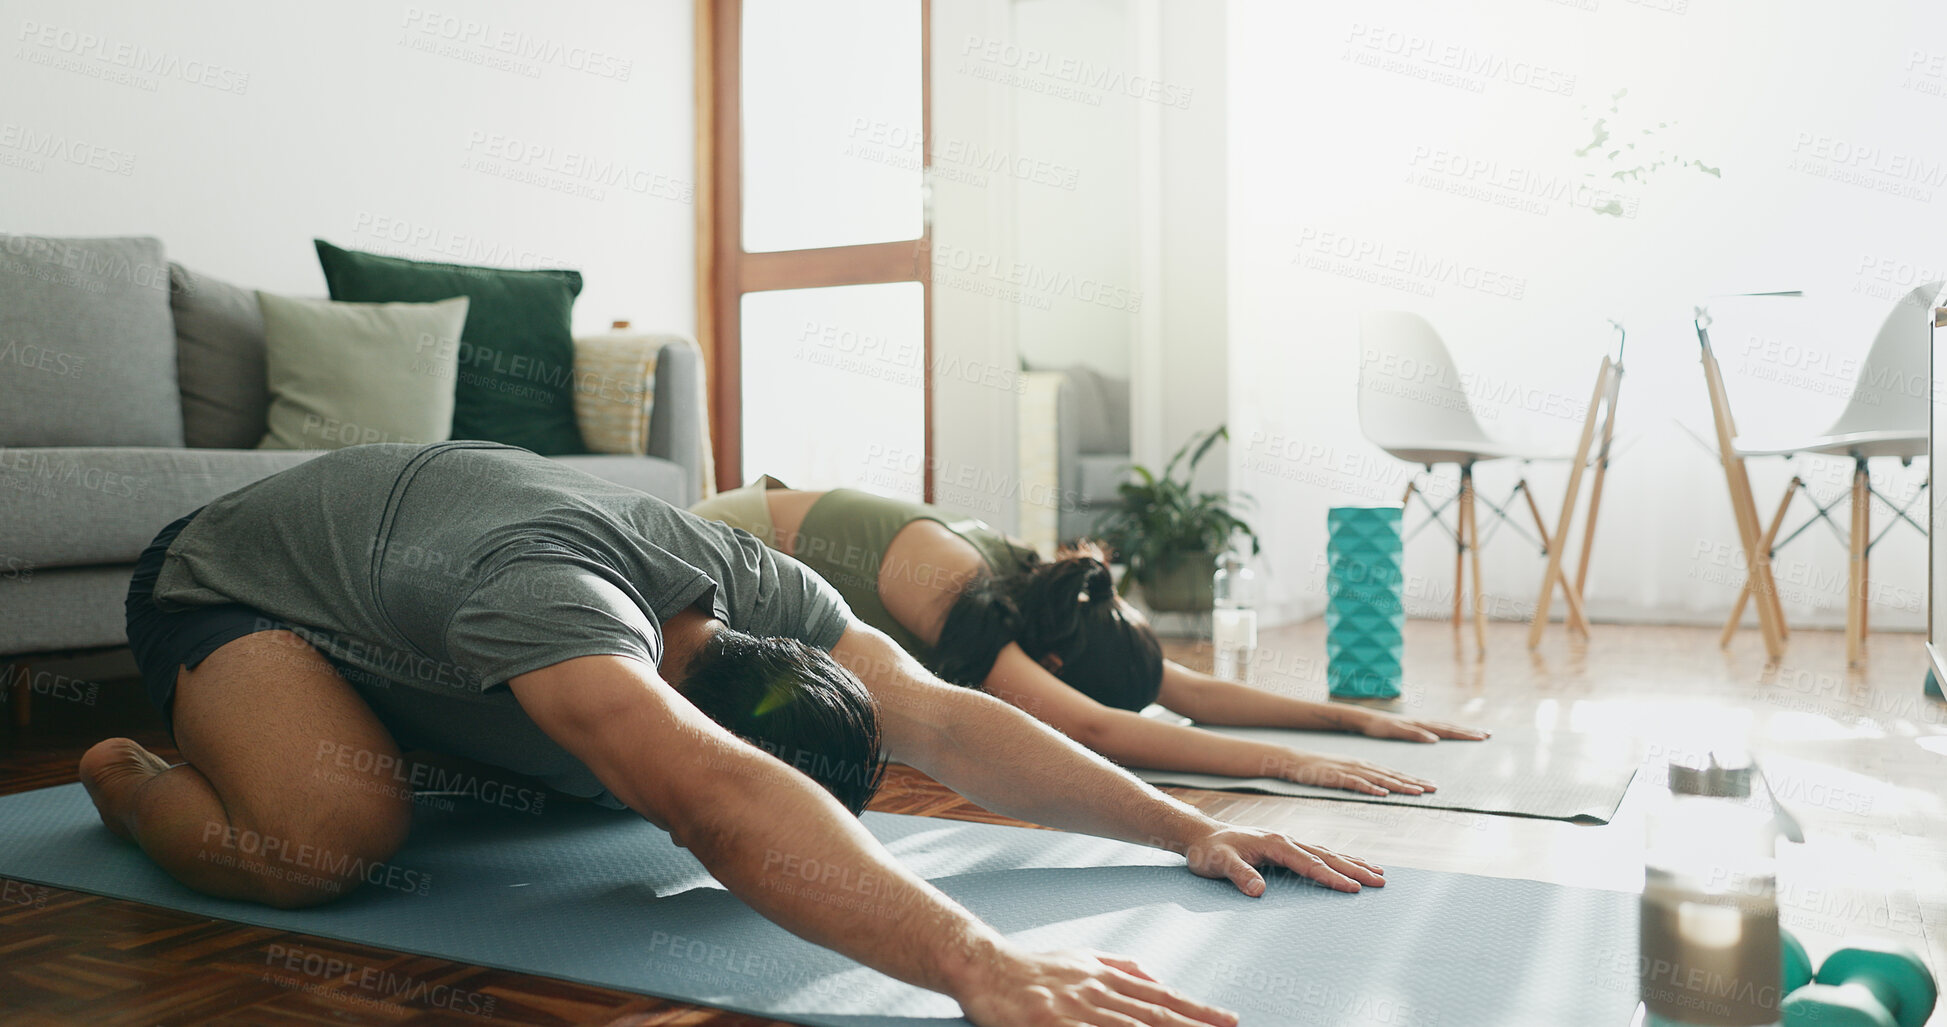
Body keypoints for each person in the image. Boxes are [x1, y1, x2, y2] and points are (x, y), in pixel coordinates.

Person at [86, 441, 1386, 1027]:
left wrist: (1190, 824)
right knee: (333, 834)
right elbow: (711, 793)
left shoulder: (778, 599)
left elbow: (950, 721)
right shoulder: (565, 613)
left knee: (576, 781)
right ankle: (134, 774)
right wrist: (982, 963)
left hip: (424, 581)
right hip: (242, 576)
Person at [690, 480, 1490, 797]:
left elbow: (1186, 690)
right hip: (706, 565)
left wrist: (1345, 717)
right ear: (1058, 662)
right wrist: (1289, 766)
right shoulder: (959, 584)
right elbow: (1097, 728)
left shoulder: (1048, 595)